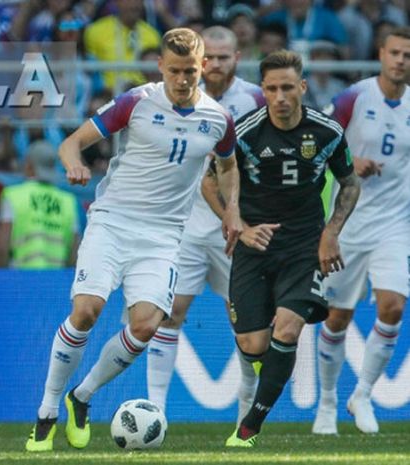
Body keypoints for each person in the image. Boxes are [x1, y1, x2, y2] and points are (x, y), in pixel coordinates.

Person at [25, 28, 243, 452]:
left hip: (163, 237)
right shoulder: (136, 102)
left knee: (144, 326)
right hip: (112, 222)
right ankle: (47, 410)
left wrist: (231, 208)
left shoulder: (218, 119)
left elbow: (228, 165)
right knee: (86, 311)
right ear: (160, 67)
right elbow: (73, 143)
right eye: (174, 71)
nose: (182, 79)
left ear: (202, 69)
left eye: (190, 72)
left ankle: (81, 397)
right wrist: (74, 165)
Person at [224, 50, 360, 447]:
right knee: (253, 345)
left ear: (302, 87)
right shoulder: (244, 132)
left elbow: (350, 183)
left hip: (304, 245)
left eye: (287, 87)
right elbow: (212, 183)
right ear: (262, 91)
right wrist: (241, 226)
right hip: (255, 244)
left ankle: (249, 427)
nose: (280, 96)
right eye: (271, 88)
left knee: (287, 327)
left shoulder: (327, 132)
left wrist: (331, 231)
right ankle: (265, 378)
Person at [145, 26, 265, 422]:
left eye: (223, 57)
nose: (214, 65)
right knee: (169, 312)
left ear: (238, 58)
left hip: (239, 227)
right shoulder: (165, 97)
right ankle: (155, 412)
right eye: (207, 57)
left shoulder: (255, 100)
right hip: (186, 225)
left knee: (248, 328)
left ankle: (247, 412)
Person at [312, 26, 410, 436]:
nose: (401, 61)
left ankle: (363, 394)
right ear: (380, 54)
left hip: (395, 225)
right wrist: (352, 165)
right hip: (348, 223)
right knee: (337, 317)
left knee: (393, 306)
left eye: (407, 55)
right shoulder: (354, 97)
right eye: (395, 53)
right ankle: (328, 401)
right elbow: (320, 144)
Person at [0, 140, 80, 269]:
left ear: (28, 165)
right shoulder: (68, 201)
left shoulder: (13, 195)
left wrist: (0, 279)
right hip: (56, 279)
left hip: (22, 279)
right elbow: (75, 252)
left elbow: (1, 248)